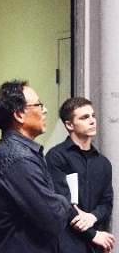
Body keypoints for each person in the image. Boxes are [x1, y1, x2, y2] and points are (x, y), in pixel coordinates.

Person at [0, 80, 73, 253]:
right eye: (38, 105)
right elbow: (53, 221)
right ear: (19, 115)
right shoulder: (19, 160)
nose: (45, 110)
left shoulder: (18, 152)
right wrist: (63, 199)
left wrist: (55, 200)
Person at [45, 97, 115, 253]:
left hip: (95, 246)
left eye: (93, 116)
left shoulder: (103, 163)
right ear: (69, 125)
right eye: (84, 117)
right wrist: (92, 234)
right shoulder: (56, 156)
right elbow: (60, 203)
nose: (92, 121)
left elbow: (107, 203)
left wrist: (92, 217)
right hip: (66, 244)